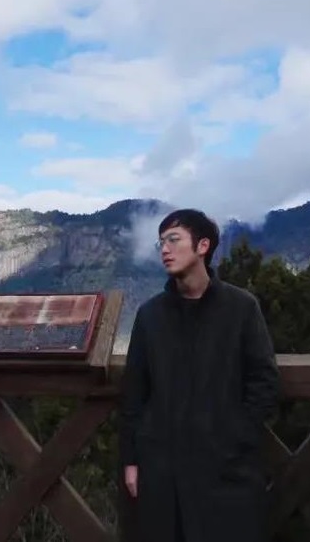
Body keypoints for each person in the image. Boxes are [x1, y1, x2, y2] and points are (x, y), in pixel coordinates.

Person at [118, 208, 280, 542]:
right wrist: (131, 460)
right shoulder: (150, 315)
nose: (164, 249)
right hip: (162, 472)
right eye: (161, 242)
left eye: (173, 240)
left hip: (226, 470)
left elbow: (263, 381)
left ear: (202, 246)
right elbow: (134, 392)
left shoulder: (241, 308)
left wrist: (235, 437)